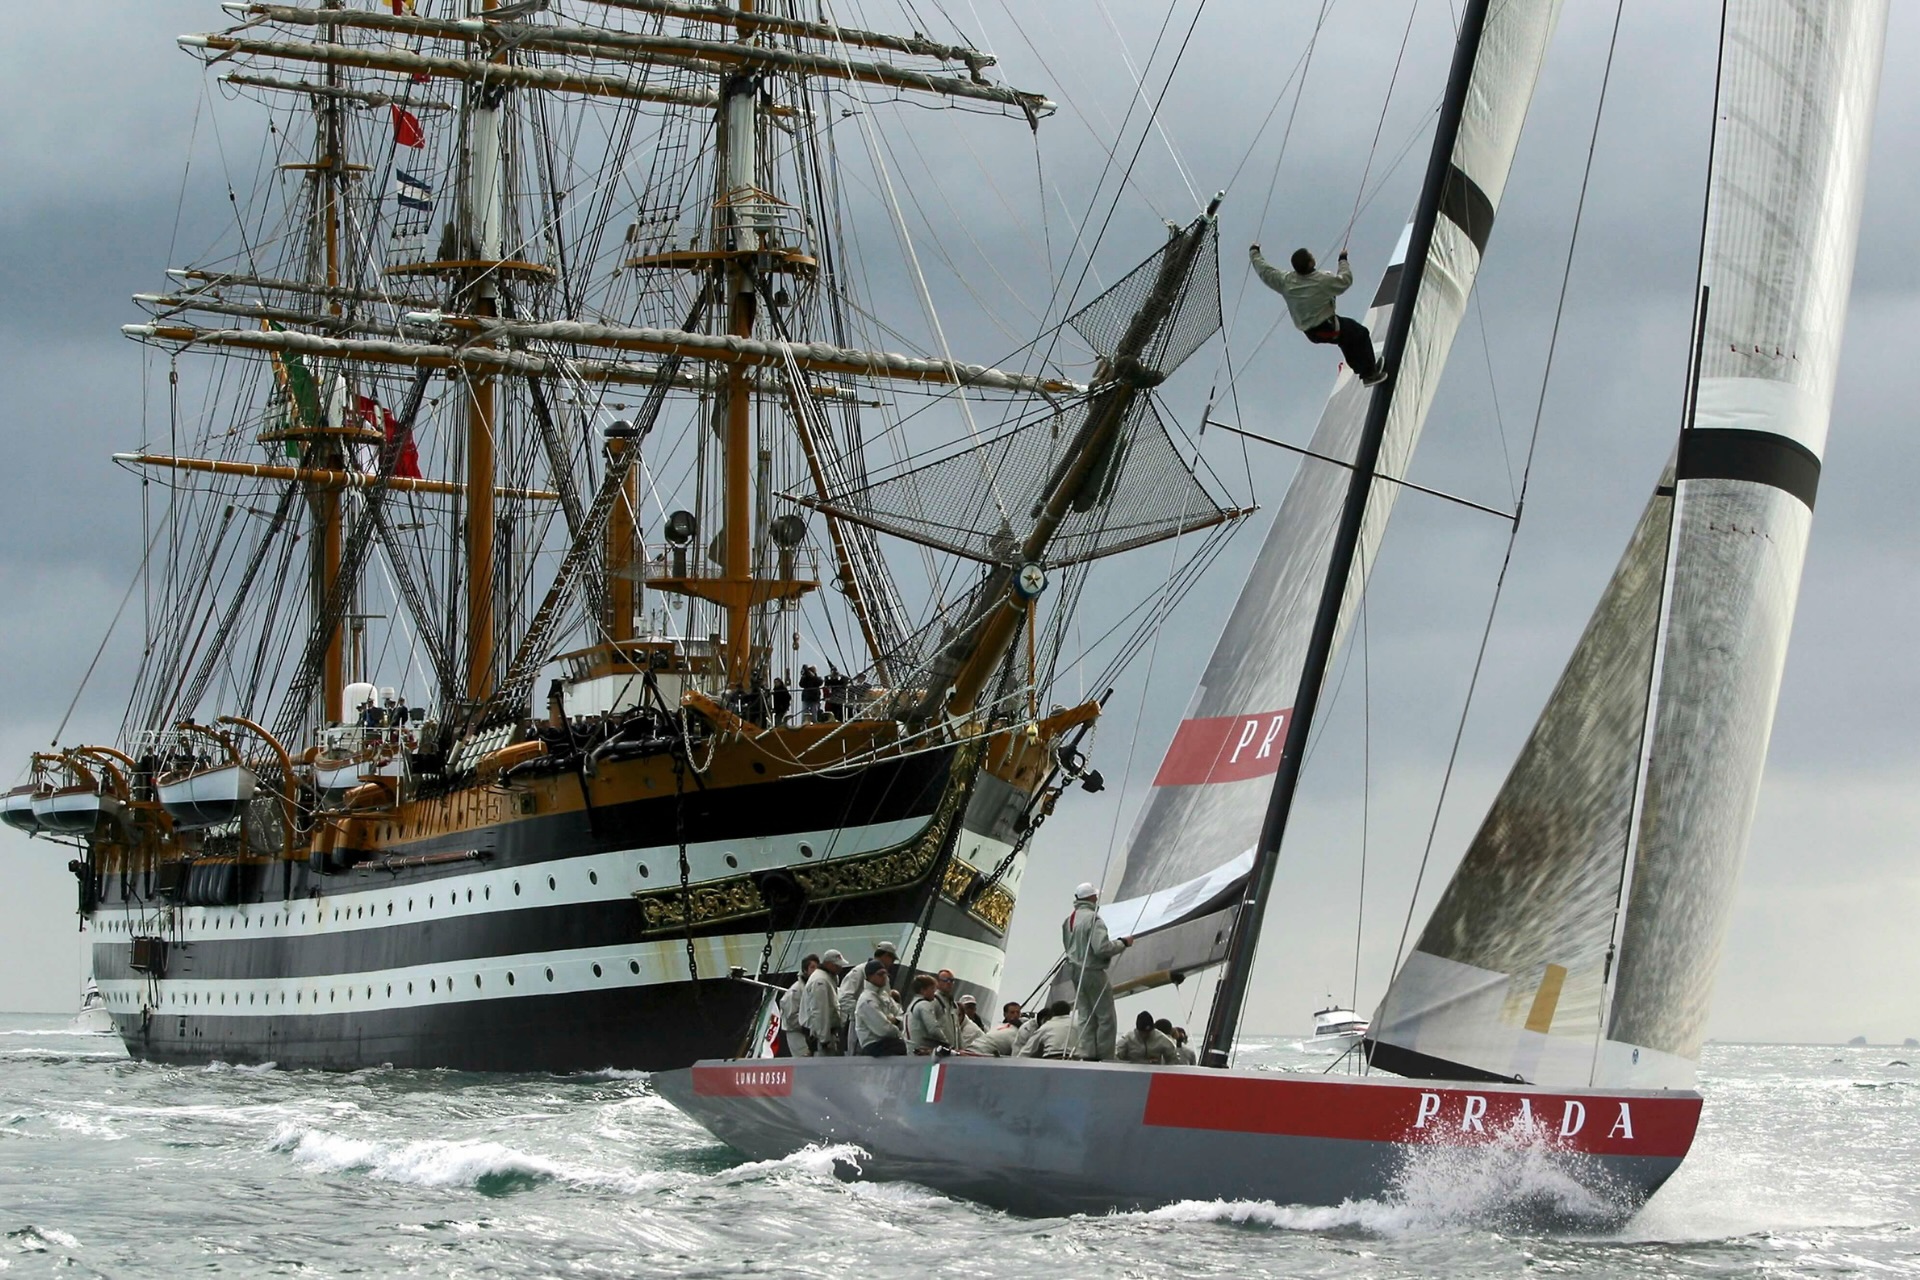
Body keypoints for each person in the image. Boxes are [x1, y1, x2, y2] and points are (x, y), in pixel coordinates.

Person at [1249, 244, 1386, 385]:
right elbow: (1345, 280)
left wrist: (1254, 252)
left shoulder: (1285, 281)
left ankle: (1366, 371)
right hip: (1326, 328)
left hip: (1311, 332)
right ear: (1310, 263)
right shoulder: (1321, 280)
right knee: (1361, 333)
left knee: (1347, 340)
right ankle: (1369, 373)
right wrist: (1343, 260)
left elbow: (1264, 271)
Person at [1062, 882, 1131, 1061]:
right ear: (1092, 898)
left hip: (1074, 971)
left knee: (1085, 1013)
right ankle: (1106, 1056)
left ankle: (1087, 1053)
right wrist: (1123, 943)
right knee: (1105, 1016)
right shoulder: (1093, 919)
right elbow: (1101, 948)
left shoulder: (1069, 919)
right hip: (1092, 971)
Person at [838, 940, 899, 1050]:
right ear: (885, 956)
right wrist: (863, 1015)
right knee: (858, 1060)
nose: (892, 963)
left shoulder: (885, 976)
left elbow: (887, 999)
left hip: (882, 1026)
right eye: (892, 959)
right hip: (862, 1027)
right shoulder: (859, 971)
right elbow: (844, 997)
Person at [854, 960, 906, 1056]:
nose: (884, 977)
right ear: (869, 976)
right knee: (908, 1048)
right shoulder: (866, 1000)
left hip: (889, 1042)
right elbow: (883, 1029)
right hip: (874, 1044)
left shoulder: (884, 995)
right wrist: (898, 1031)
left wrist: (895, 1020)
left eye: (885, 974)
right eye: (880, 974)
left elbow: (901, 1014)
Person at [801, 950, 847, 1056]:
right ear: (829, 964)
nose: (840, 968)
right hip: (820, 1036)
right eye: (837, 966)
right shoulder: (820, 981)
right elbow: (819, 1011)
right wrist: (824, 1039)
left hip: (828, 1032)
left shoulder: (828, 977)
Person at [779, 954, 819, 1056]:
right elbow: (791, 1017)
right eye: (812, 967)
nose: (816, 970)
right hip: (797, 1034)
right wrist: (808, 1026)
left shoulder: (814, 987)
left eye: (817, 967)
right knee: (804, 1061)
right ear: (805, 970)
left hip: (812, 1033)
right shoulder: (795, 991)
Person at [905, 974, 952, 1054]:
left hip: (910, 1048)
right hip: (922, 1050)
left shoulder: (912, 1004)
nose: (934, 992)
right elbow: (933, 1029)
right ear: (923, 990)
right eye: (932, 989)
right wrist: (946, 1043)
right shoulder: (924, 1005)